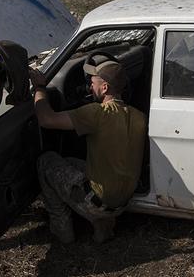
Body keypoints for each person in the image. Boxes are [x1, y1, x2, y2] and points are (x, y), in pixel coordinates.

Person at [29, 59, 146, 244]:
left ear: (105, 87)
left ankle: (63, 231)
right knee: (69, 161)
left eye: (92, 83)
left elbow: (46, 119)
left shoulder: (96, 113)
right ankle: (104, 221)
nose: (89, 87)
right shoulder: (139, 116)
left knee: (46, 161)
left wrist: (40, 88)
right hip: (124, 202)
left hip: (98, 202)